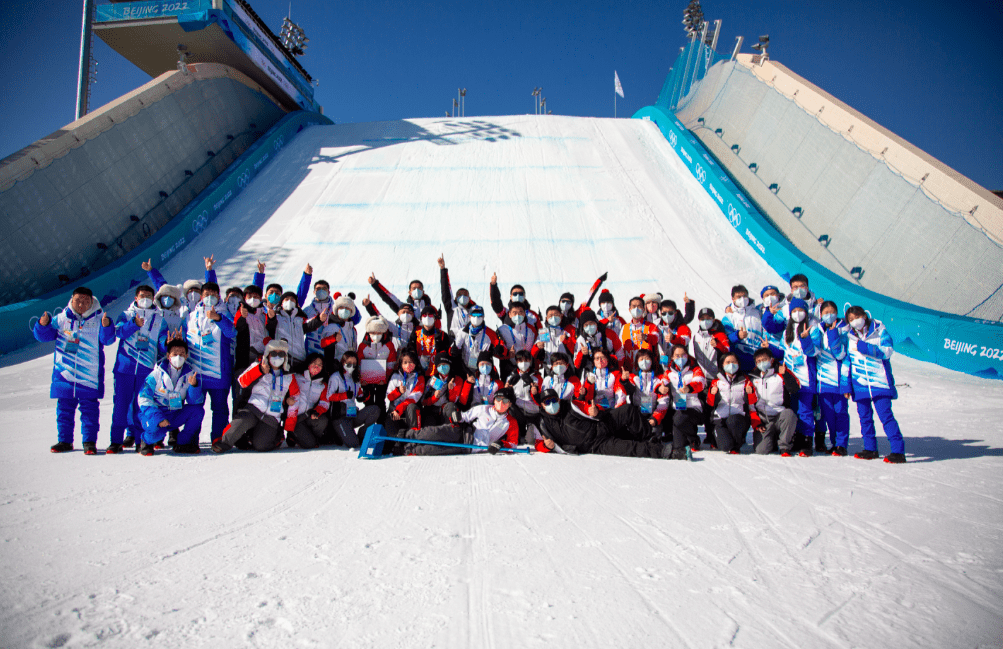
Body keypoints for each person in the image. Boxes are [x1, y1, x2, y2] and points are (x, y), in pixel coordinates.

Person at [34, 287, 116, 454]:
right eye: (78, 300)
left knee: (90, 412)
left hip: (89, 376)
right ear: (72, 300)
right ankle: (64, 441)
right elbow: (44, 336)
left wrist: (107, 327)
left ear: (92, 302)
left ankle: (89, 442)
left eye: (86, 301)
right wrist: (42, 325)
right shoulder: (61, 319)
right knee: (64, 410)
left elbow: (108, 340)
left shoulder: (100, 319)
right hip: (65, 374)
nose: (82, 304)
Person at [110, 284, 169, 452]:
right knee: (121, 406)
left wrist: (167, 343)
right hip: (124, 369)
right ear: (135, 298)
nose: (145, 299)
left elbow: (162, 342)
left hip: (146, 370)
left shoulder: (159, 319)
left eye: (148, 296)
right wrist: (134, 324)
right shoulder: (126, 315)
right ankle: (116, 441)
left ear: (153, 299)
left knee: (141, 406)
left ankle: (140, 440)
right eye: (142, 296)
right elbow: (119, 333)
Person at [212, 340, 297, 453]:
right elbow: (242, 381)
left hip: (272, 415)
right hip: (254, 409)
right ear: (268, 355)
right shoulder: (258, 365)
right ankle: (224, 443)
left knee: (261, 446)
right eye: (274, 354)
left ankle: (275, 435)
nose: (277, 357)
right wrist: (259, 371)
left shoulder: (289, 376)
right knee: (240, 422)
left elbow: (296, 396)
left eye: (281, 354)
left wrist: (287, 401)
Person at [844, 306, 906, 463]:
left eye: (856, 317)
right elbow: (847, 363)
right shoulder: (849, 338)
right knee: (864, 418)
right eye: (851, 320)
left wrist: (866, 348)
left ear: (864, 315)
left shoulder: (879, 330)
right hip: (859, 384)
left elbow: (888, 351)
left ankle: (898, 451)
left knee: (886, 416)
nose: (854, 321)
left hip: (879, 383)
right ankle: (870, 449)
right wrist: (846, 386)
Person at [535, 389, 672, 459]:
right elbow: (538, 442)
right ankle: (663, 451)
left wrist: (596, 412)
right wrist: (546, 446)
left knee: (628, 410)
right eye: (547, 402)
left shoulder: (570, 405)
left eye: (553, 400)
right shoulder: (543, 423)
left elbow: (591, 407)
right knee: (630, 448)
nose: (551, 404)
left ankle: (647, 436)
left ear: (558, 400)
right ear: (542, 405)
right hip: (596, 445)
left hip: (602, 424)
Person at [184, 281, 236, 443]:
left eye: (213, 295)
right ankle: (191, 440)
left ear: (219, 296)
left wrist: (218, 318)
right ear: (201, 296)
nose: (210, 298)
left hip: (218, 373)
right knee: (194, 408)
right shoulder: (192, 315)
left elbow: (232, 332)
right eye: (207, 295)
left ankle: (218, 439)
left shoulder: (225, 313)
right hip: (196, 374)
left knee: (220, 409)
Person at [136, 333, 205, 455]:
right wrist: (158, 417)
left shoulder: (190, 374)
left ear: (187, 356)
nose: (178, 357)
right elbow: (143, 398)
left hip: (174, 413)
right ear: (168, 356)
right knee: (158, 433)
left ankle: (182, 443)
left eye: (182, 354)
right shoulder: (156, 374)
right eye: (175, 354)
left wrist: (194, 386)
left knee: (197, 411)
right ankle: (146, 440)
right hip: (155, 413)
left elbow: (194, 402)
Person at [401, 388, 519, 456]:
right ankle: (405, 435)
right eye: (498, 399)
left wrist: (501, 444)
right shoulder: (485, 409)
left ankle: (407, 449)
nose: (501, 403)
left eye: (505, 401)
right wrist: (458, 417)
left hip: (471, 447)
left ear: (510, 404)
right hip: (463, 432)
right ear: (494, 400)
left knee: (433, 450)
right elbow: (466, 416)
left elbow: (513, 444)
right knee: (433, 433)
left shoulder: (511, 422)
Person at [779, 298, 823, 455]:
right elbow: (782, 350)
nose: (797, 314)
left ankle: (806, 440)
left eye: (800, 310)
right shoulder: (787, 330)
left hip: (805, 377)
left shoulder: (814, 329)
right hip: (790, 378)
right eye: (794, 311)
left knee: (805, 410)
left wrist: (805, 339)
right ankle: (796, 438)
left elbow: (814, 351)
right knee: (794, 409)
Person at [748, 347, 801, 455]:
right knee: (761, 450)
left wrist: (785, 374)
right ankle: (772, 439)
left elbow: (795, 388)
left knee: (789, 414)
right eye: (758, 361)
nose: (761, 363)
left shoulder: (780, 373)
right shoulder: (753, 378)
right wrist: (757, 423)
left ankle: (785, 446)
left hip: (779, 416)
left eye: (764, 360)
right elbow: (751, 404)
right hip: (764, 420)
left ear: (771, 360)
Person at [689, 307, 729, 447]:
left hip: (715, 377)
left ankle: (714, 434)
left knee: (714, 406)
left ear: (713, 319)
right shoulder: (697, 336)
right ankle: (706, 434)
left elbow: (727, 350)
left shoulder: (720, 335)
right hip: (702, 377)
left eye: (708, 318)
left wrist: (718, 345)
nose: (705, 321)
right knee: (703, 406)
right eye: (703, 319)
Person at [816, 301, 852, 456]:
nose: (829, 315)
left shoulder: (844, 331)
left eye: (832, 312)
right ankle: (834, 443)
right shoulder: (817, 330)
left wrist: (846, 385)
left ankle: (842, 444)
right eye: (825, 312)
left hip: (838, 381)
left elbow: (841, 355)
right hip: (823, 381)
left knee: (841, 413)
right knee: (828, 415)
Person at [705, 352, 758, 454]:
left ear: (738, 364)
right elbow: (710, 403)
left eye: (734, 362)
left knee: (733, 421)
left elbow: (752, 402)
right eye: (728, 362)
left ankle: (737, 444)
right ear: (723, 365)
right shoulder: (716, 381)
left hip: (738, 418)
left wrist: (750, 393)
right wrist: (713, 394)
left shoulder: (745, 380)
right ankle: (724, 440)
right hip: (720, 419)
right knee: (725, 446)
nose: (731, 365)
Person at [325, 351, 381, 447]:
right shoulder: (336, 377)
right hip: (340, 417)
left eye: (354, 363)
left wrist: (365, 394)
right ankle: (340, 433)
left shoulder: (355, 378)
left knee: (375, 410)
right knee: (354, 444)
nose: (352, 366)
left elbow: (360, 397)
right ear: (343, 362)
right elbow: (328, 396)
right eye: (349, 363)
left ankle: (362, 434)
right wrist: (344, 395)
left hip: (352, 414)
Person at [661, 344, 706, 451]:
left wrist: (689, 388)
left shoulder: (695, 369)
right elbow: (662, 382)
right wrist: (661, 388)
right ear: (672, 357)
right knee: (678, 446)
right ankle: (689, 437)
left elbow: (700, 383)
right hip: (678, 408)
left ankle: (694, 439)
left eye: (683, 355)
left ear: (687, 355)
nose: (680, 358)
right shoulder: (669, 372)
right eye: (677, 356)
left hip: (693, 407)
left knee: (678, 418)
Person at [620, 348, 669, 440]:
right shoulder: (633, 378)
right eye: (641, 359)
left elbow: (663, 402)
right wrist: (624, 381)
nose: (644, 362)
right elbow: (629, 389)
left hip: (653, 412)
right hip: (637, 413)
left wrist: (655, 418)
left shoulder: (659, 379)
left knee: (654, 436)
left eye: (647, 358)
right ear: (637, 362)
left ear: (652, 361)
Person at [284, 353, 330, 449]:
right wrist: (286, 400)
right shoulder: (296, 377)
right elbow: (282, 393)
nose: (316, 367)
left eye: (320, 365)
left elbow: (324, 403)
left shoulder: (323, 384)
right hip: (295, 417)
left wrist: (317, 411)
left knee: (323, 420)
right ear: (308, 363)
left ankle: (308, 437)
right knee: (310, 445)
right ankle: (293, 435)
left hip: (308, 416)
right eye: (314, 363)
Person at [266, 291, 325, 363]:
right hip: (282, 358)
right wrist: (271, 318)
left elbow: (309, 327)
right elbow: (270, 327)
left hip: (299, 358)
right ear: (281, 303)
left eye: (292, 299)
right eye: (286, 299)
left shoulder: (299, 320)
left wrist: (319, 319)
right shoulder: (277, 318)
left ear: (296, 304)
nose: (289, 301)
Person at [721, 285, 767, 372]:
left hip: (758, 359)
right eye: (738, 297)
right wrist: (737, 335)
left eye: (745, 296)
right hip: (739, 359)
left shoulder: (757, 313)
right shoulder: (729, 317)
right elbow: (725, 340)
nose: (742, 299)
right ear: (733, 298)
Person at [357, 315, 397, 414]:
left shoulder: (389, 345)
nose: (376, 335)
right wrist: (362, 380)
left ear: (383, 332)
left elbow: (391, 364)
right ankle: (368, 423)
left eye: (379, 333)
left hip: (382, 381)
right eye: (373, 333)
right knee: (368, 401)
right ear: (368, 332)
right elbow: (359, 364)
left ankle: (381, 424)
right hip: (367, 381)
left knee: (380, 401)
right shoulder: (363, 346)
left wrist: (385, 378)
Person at [421, 352, 473, 426]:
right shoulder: (432, 380)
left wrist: (451, 389)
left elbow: (454, 402)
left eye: (445, 365)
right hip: (432, 410)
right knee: (429, 425)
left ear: (449, 365)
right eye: (440, 365)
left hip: (447, 410)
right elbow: (423, 401)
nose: (442, 367)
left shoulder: (457, 380)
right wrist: (434, 398)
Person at [385, 350, 427, 441]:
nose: (408, 365)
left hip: (408, 411)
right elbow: (388, 396)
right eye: (405, 362)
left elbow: (413, 398)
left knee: (412, 407)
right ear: (401, 364)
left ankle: (414, 437)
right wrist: (398, 391)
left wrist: (399, 409)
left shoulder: (419, 378)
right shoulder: (395, 376)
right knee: (391, 438)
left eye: (411, 362)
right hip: (395, 411)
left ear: (416, 363)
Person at [452, 305, 505, 375]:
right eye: (474, 315)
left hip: (484, 370)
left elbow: (502, 349)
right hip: (465, 369)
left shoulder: (490, 333)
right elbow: (452, 349)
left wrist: (501, 350)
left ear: (483, 317)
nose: (476, 318)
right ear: (469, 316)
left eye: (479, 315)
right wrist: (453, 350)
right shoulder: (462, 332)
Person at [505, 349, 542, 444]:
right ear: (516, 362)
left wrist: (535, 393)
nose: (523, 363)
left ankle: (530, 428)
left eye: (526, 360)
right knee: (510, 407)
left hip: (533, 413)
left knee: (530, 441)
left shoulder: (537, 377)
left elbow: (541, 400)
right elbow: (507, 397)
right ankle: (518, 431)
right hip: (519, 412)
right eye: (520, 361)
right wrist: (507, 390)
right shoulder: (511, 377)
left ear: (530, 361)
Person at [573, 310, 624, 376]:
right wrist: (582, 354)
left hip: (609, 372)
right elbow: (576, 365)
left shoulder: (609, 334)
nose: (589, 326)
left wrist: (619, 371)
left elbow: (620, 354)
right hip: (591, 374)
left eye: (591, 323)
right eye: (586, 325)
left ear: (596, 322)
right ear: (583, 327)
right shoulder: (581, 340)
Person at [496, 302, 538, 380]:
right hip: (509, 368)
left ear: (525, 314)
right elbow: (497, 351)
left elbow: (537, 346)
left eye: (520, 312)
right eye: (514, 313)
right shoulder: (502, 330)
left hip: (528, 367)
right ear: (509, 314)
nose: (517, 315)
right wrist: (507, 354)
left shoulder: (531, 329)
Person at [369, 272, 435, 321]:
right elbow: (389, 298)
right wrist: (375, 284)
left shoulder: (430, 308)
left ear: (423, 291)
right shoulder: (404, 308)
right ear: (409, 292)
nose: (417, 291)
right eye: (414, 289)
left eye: (419, 288)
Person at [438, 254, 477, 336]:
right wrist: (443, 270)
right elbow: (446, 290)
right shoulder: (452, 308)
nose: (462, 297)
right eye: (460, 295)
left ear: (469, 298)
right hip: (454, 344)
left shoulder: (474, 311)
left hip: (470, 344)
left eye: (465, 295)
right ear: (455, 298)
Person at [619, 297, 659, 371]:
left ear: (643, 309)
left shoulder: (651, 326)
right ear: (629, 309)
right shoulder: (625, 327)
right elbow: (620, 349)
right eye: (634, 306)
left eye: (639, 306)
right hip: (629, 370)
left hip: (646, 370)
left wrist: (646, 337)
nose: (636, 309)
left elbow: (656, 339)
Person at [532, 305, 577, 371]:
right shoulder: (544, 332)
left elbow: (576, 351)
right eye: (550, 316)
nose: (553, 318)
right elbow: (533, 353)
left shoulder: (567, 331)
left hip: (566, 368)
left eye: (556, 315)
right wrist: (537, 347)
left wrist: (567, 341)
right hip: (550, 368)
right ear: (546, 318)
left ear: (561, 316)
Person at [318, 294, 359, 367]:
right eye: (341, 307)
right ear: (337, 310)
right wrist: (333, 338)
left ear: (351, 311)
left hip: (351, 366)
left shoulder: (352, 329)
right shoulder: (331, 327)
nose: (344, 310)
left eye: (347, 308)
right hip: (336, 367)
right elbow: (322, 344)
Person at [407, 305, 451, 373]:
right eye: (424, 315)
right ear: (421, 318)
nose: (427, 317)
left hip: (436, 373)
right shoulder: (416, 333)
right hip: (419, 372)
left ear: (435, 318)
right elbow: (410, 350)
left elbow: (447, 355)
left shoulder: (442, 335)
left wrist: (439, 347)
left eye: (430, 315)